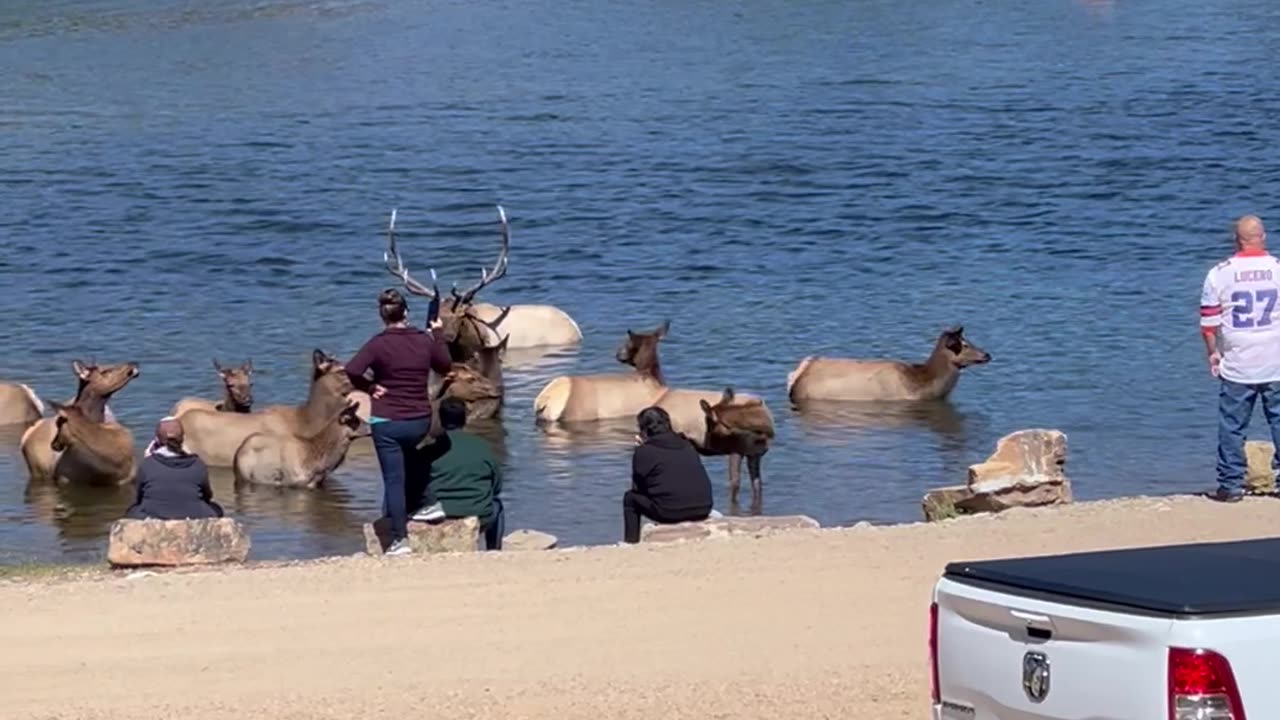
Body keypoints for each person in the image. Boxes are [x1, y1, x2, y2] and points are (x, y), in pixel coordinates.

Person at [346, 288, 452, 555]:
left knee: (394, 479)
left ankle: (399, 540)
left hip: (387, 421)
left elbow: (352, 370)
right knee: (413, 457)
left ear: (382, 317)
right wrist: (437, 333)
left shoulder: (377, 343)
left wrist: (370, 387)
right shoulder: (424, 340)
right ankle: (429, 502)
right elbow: (444, 366)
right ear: (406, 312)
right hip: (419, 419)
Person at [1199, 214, 1280, 502]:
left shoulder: (1220, 273)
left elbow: (1208, 325)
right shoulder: (1277, 268)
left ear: (1236, 240)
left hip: (1238, 361)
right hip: (1276, 359)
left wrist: (1213, 355)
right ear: (1263, 237)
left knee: (1233, 425)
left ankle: (1231, 485)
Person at [414, 397, 505, 550]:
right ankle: (493, 550)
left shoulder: (427, 449)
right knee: (497, 505)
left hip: (435, 514)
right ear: (465, 419)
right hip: (478, 514)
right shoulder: (482, 446)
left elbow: (415, 485)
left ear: (441, 419)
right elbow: (496, 486)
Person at [623, 406, 713, 543]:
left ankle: (631, 542)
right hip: (703, 508)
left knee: (630, 499)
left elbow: (638, 488)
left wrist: (640, 450)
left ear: (644, 430)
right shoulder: (687, 444)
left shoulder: (644, 451)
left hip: (670, 512)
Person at [125, 417, 224, 520]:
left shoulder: (147, 464)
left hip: (153, 514)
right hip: (194, 514)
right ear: (182, 439)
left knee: (131, 510)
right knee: (217, 508)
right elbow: (207, 496)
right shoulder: (198, 464)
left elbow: (139, 497)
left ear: (157, 440)